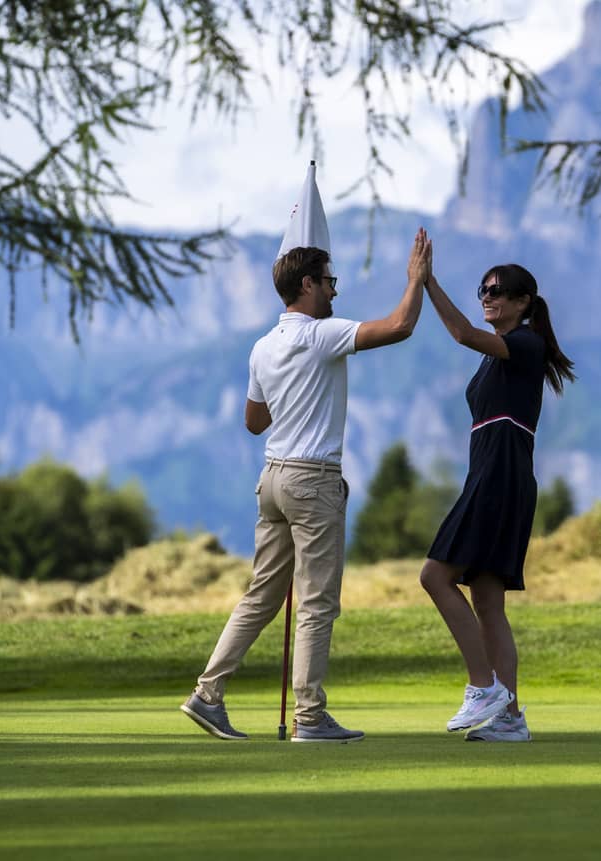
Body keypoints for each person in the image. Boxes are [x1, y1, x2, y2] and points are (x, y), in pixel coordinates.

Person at [181, 229, 432, 743]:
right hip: (313, 481)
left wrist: (293, 392)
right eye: (328, 281)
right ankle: (310, 716)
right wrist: (416, 280)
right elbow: (400, 326)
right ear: (307, 284)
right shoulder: (321, 335)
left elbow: (254, 422)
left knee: (261, 596)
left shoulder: (262, 347)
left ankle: (208, 693)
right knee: (317, 602)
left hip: (272, 480)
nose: (334, 290)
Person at [418, 262, 576, 742]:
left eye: (498, 290)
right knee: (487, 599)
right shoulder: (501, 353)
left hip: (499, 477)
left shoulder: (526, 342)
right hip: (495, 475)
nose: (488, 296)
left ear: (523, 302)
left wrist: (427, 283)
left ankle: (484, 687)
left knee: (434, 576)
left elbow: (463, 334)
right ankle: (509, 718)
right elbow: (473, 338)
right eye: (483, 289)